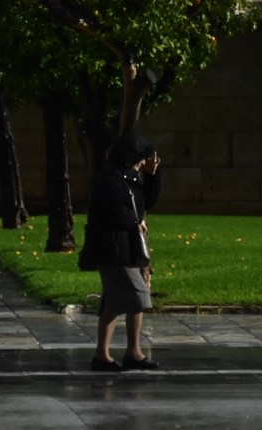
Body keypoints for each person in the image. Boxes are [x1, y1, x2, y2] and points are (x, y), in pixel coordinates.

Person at [78, 132, 162, 372]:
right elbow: (111, 211)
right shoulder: (110, 177)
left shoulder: (129, 176)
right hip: (112, 248)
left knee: (114, 302)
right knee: (137, 296)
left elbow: (145, 203)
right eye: (141, 158)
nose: (142, 163)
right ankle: (125, 353)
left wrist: (153, 176)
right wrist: (135, 222)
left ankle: (111, 355)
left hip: (127, 247)